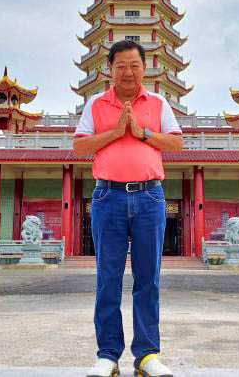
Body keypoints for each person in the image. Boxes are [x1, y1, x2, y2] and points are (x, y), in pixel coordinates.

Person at [74, 40, 183, 377]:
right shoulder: (96, 103)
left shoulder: (159, 102)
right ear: (109, 69)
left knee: (147, 279)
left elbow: (176, 143)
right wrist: (116, 132)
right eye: (121, 65)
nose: (128, 71)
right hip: (109, 197)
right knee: (108, 279)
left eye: (135, 65)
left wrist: (142, 132)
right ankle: (108, 355)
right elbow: (80, 146)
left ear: (144, 68)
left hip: (150, 197)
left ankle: (148, 355)